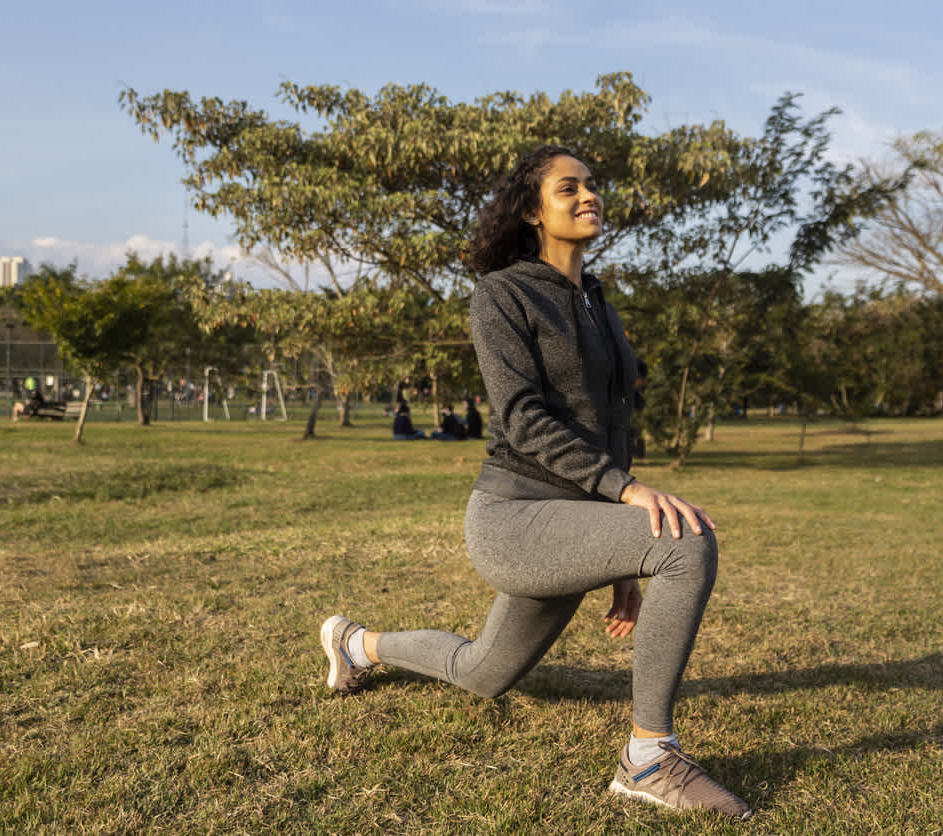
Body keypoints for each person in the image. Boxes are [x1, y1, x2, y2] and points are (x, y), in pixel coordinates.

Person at [320, 145, 750, 819]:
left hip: (573, 518)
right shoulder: (502, 293)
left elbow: (611, 423)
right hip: (512, 519)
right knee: (687, 541)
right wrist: (631, 496)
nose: (588, 196)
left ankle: (355, 643)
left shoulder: (598, 301)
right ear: (530, 209)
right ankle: (648, 758)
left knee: (484, 674)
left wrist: (624, 560)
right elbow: (520, 419)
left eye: (592, 186)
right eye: (568, 188)